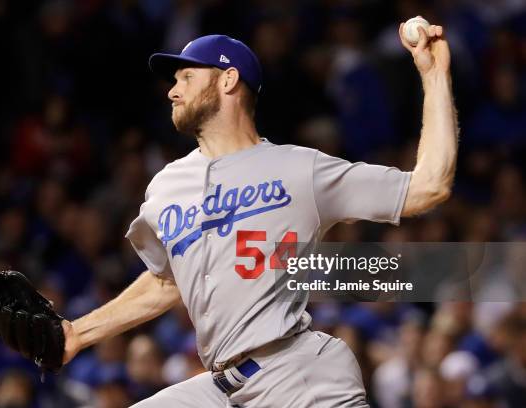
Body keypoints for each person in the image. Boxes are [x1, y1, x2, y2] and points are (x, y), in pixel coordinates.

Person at [61, 20, 458, 407]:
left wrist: (434, 73)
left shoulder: (299, 170)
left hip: (297, 375)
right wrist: (77, 333)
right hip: (220, 388)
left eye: (186, 77)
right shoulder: (167, 186)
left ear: (228, 80)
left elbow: (428, 186)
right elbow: (168, 282)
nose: (172, 91)